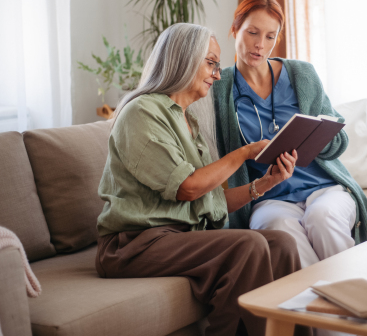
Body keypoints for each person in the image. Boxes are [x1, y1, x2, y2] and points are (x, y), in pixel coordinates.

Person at [95, 23, 301, 336]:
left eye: (218, 65)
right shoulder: (141, 112)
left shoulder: (187, 119)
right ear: (184, 59)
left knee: (282, 243)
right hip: (134, 244)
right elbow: (188, 188)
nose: (218, 74)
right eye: (211, 63)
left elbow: (212, 199)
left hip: (180, 235)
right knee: (247, 244)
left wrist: (268, 183)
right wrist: (244, 152)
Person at [212, 0, 367, 268]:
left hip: (324, 188)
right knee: (278, 229)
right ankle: (318, 304)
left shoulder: (302, 74)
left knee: (322, 218)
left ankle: (354, 290)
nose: (260, 45)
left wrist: (318, 137)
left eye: (270, 37)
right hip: (269, 196)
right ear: (235, 28)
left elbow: (339, 142)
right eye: (252, 32)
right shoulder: (218, 88)